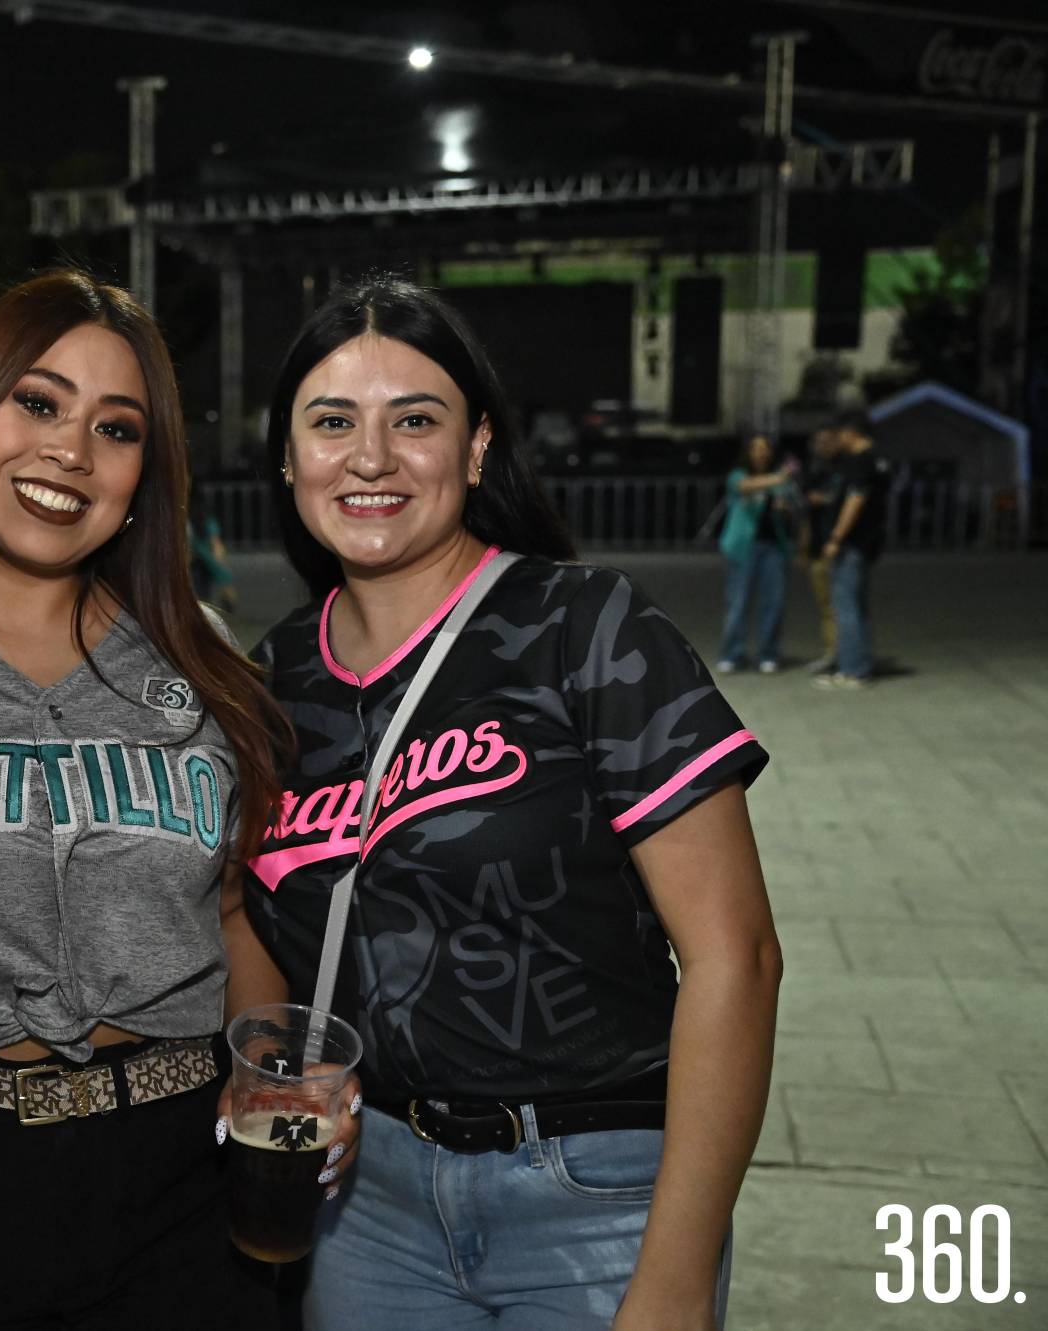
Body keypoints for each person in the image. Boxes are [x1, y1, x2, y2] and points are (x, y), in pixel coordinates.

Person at [246, 277, 781, 1329]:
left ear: (477, 445)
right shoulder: (270, 681)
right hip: (369, 1202)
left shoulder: (585, 627)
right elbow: (252, 913)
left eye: (414, 419)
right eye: (330, 422)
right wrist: (267, 1073)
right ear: (285, 457)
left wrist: (670, 1276)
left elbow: (735, 957)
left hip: (593, 1188)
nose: (369, 457)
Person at [0, 270, 328, 1328]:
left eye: (116, 426)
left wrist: (277, 1071)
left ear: (146, 473)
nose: (69, 450)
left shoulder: (201, 659)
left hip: (181, 1180)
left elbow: (228, 909)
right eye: (36, 402)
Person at [815, 412, 889, 691]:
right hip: (866, 542)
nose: (839, 439)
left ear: (852, 432)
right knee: (856, 607)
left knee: (846, 607)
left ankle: (852, 670)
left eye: (841, 433)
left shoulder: (861, 462)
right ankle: (860, 663)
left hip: (852, 544)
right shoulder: (878, 460)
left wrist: (836, 537)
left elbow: (855, 501)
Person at [714, 433, 798, 674]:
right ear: (748, 452)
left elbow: (792, 509)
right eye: (756, 448)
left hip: (774, 546)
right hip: (743, 547)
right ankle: (732, 653)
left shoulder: (782, 482)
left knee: (773, 602)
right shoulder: (739, 475)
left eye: (765, 448)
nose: (761, 452)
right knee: (737, 602)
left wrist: (785, 508)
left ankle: (768, 653)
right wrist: (780, 477)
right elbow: (744, 487)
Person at [798, 427, 841, 673]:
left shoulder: (844, 470)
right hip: (816, 549)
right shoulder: (811, 473)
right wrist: (802, 549)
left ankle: (846, 656)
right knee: (826, 606)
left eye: (829, 440)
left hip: (838, 548)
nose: (823, 446)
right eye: (819, 441)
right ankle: (832, 653)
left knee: (842, 606)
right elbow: (807, 517)